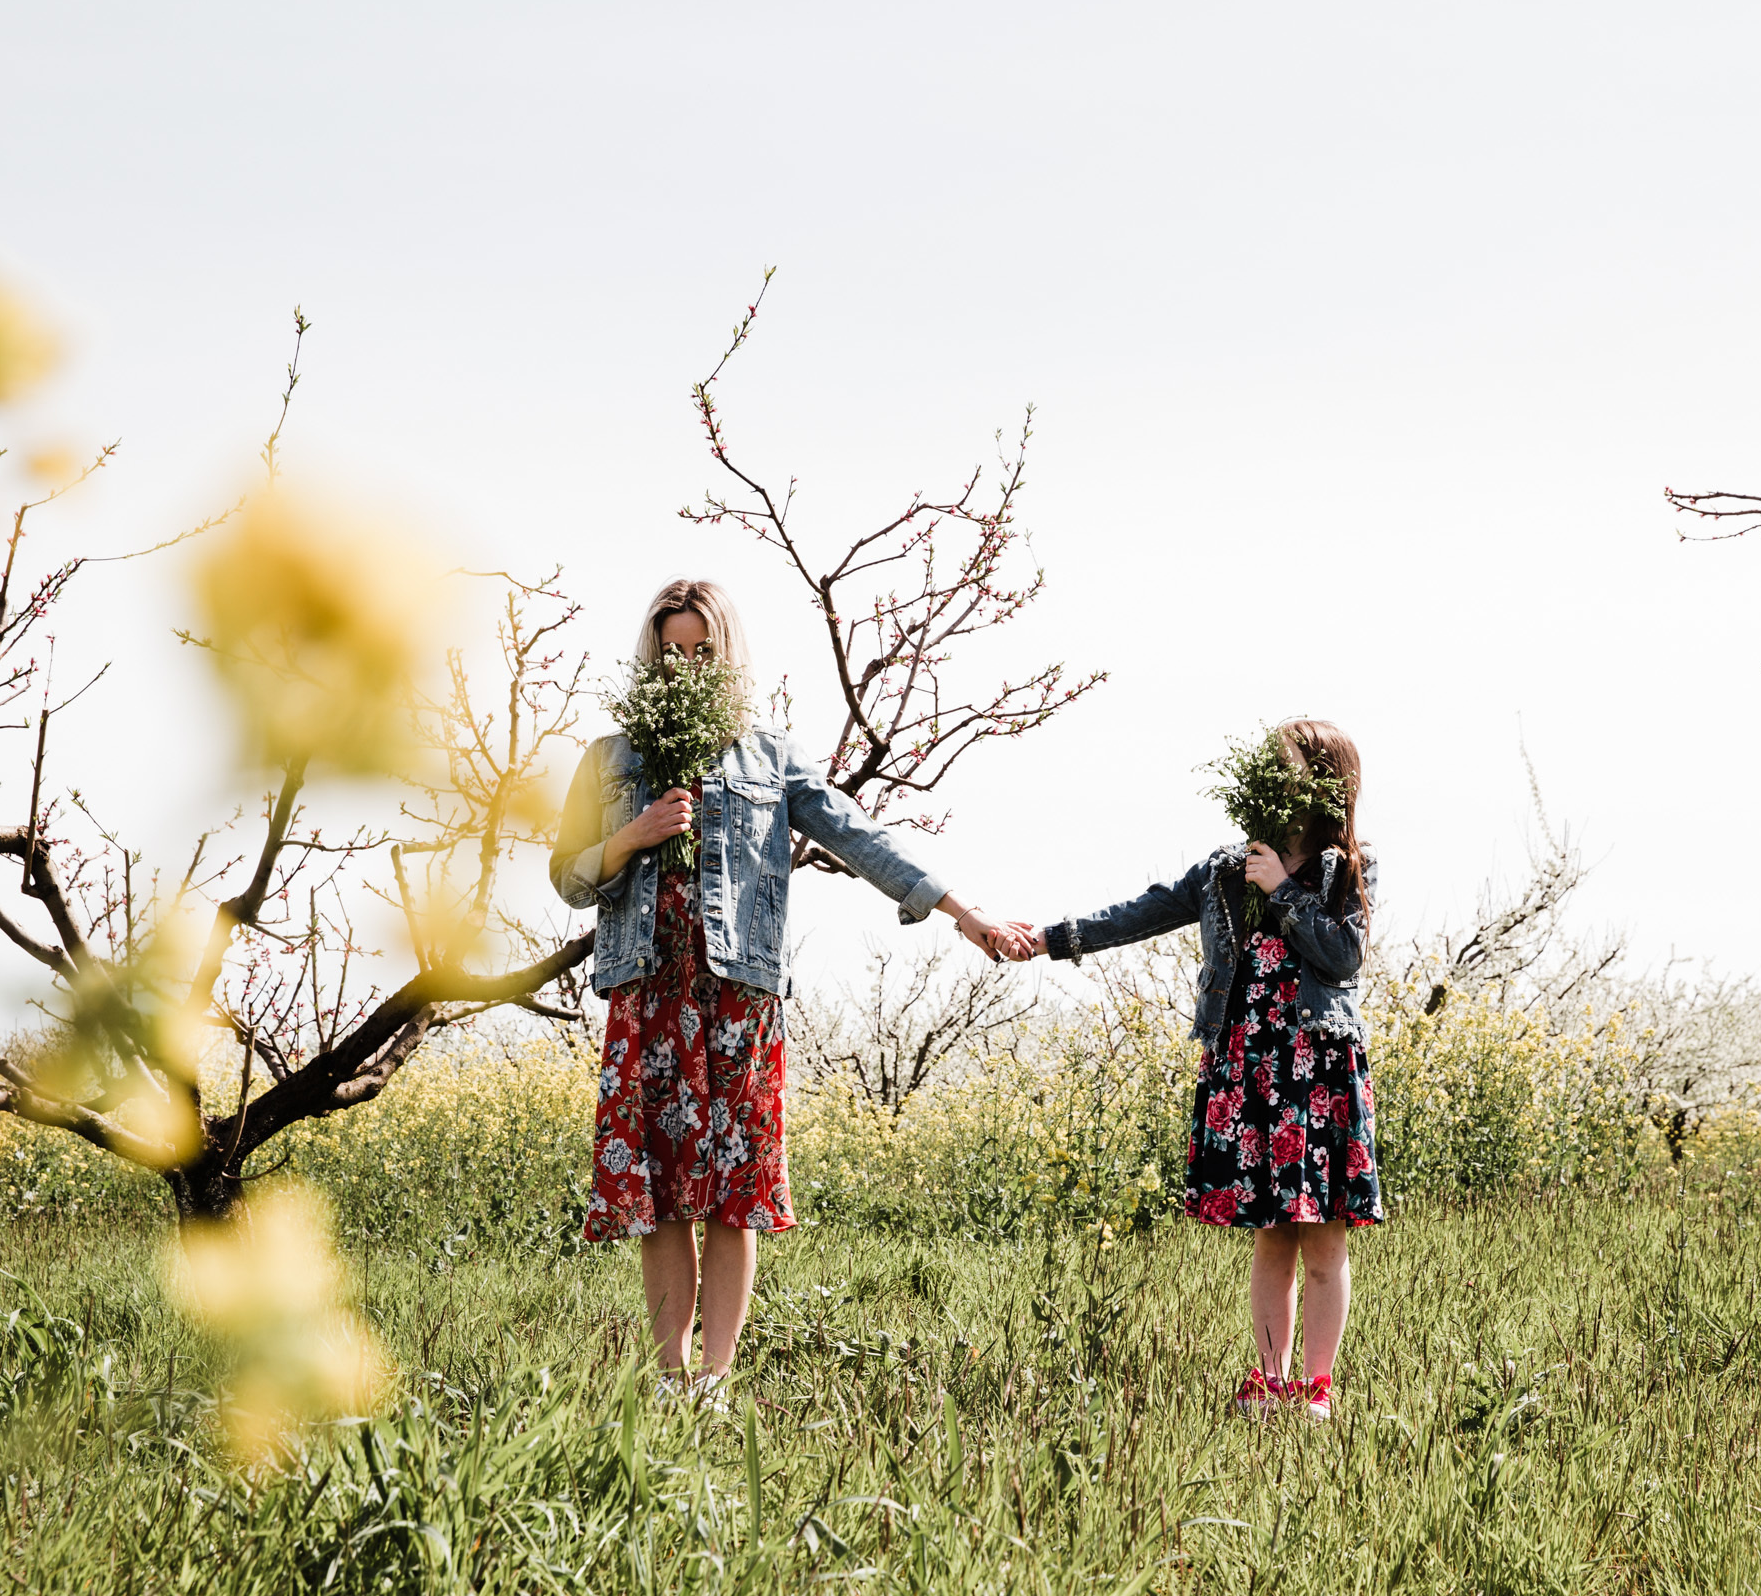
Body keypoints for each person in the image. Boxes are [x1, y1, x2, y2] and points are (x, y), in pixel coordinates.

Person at [549, 577, 1038, 1394]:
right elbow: (567, 877)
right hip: (650, 993)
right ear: (651, 654)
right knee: (664, 1195)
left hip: (739, 999)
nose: (685, 668)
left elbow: (860, 835)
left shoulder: (767, 756)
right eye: (670, 652)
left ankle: (713, 1378)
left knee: (735, 1194)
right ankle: (668, 1379)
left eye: (701, 652)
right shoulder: (611, 758)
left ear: (726, 655)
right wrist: (631, 835)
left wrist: (964, 911)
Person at [1020, 719, 1380, 1422]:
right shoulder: (1224, 867)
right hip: (1250, 1064)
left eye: (1288, 766)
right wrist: (1051, 940)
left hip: (1315, 1067)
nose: (1273, 778)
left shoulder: (1350, 866)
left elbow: (1344, 956)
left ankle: (1315, 1390)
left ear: (1325, 782)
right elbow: (1145, 911)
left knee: (1325, 1239)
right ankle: (1271, 1382)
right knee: (1272, 1234)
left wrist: (1282, 890)